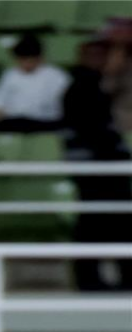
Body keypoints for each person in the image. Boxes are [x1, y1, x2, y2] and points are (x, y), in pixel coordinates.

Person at [63, 40, 132, 291]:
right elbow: (94, 129)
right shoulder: (81, 86)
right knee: (94, 223)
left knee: (118, 222)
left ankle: (121, 277)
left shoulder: (99, 84)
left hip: (106, 166)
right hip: (94, 167)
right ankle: (89, 280)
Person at [0, 34, 71, 133]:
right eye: (22, 60)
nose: (26, 64)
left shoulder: (57, 76)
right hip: (15, 121)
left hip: (46, 122)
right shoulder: (10, 75)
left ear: (39, 58)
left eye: (29, 60)